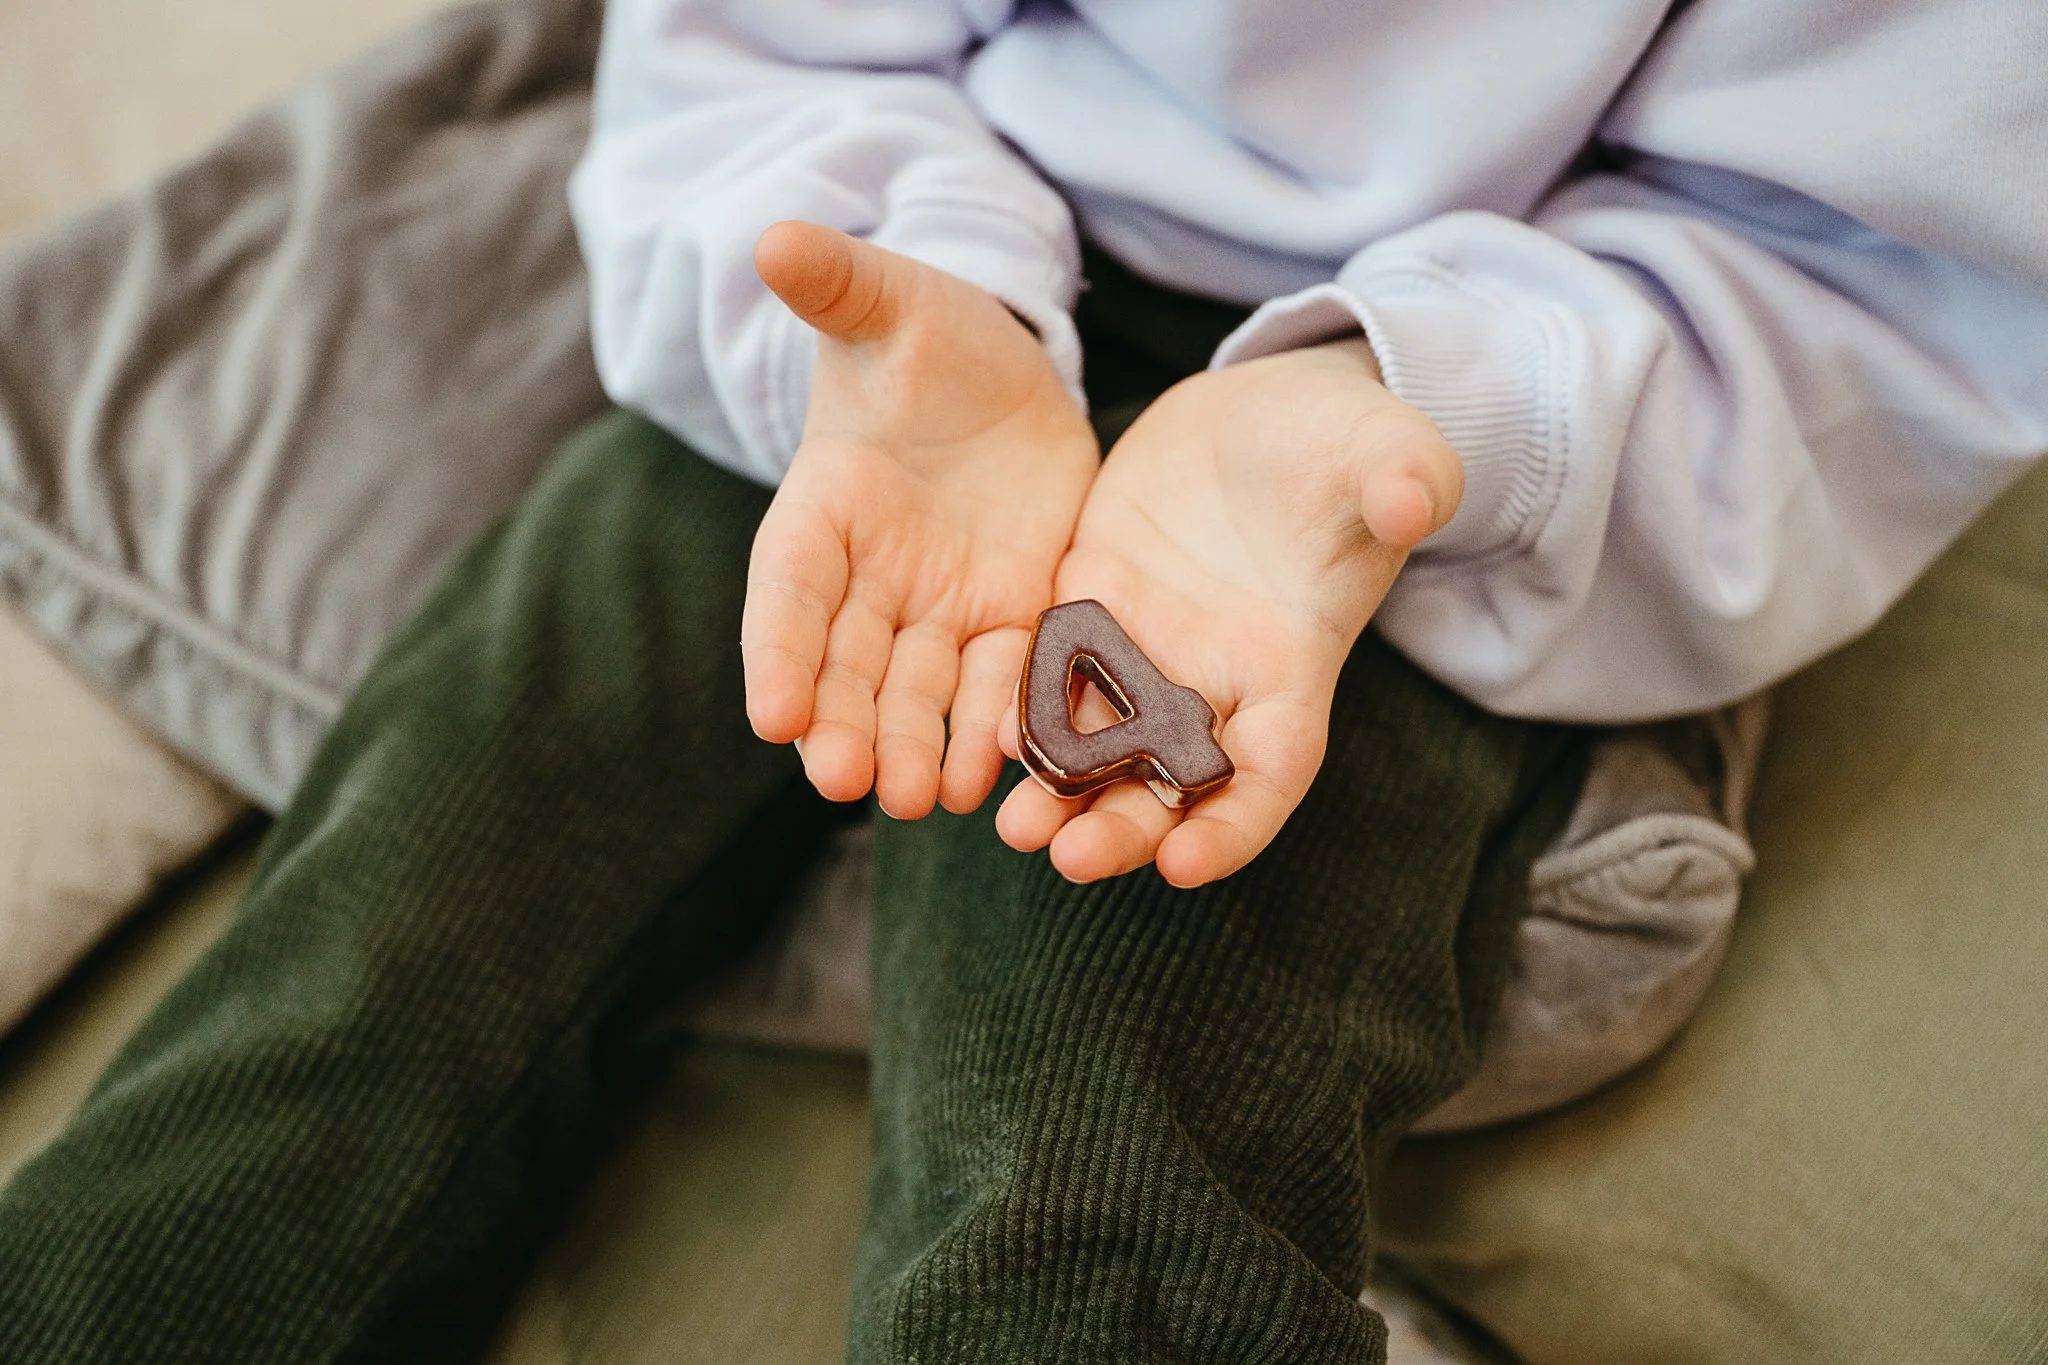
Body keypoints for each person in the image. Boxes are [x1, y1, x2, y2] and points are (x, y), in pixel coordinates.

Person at [2, 1, 2043, 1361]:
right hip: (912, 316)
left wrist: (1409, 412)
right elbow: (765, 38)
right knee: (389, 942)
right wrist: (918, 284)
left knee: (1101, 1170)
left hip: (1428, 461)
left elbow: (1862, 283)